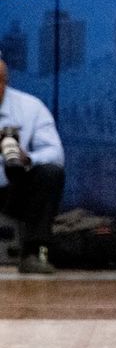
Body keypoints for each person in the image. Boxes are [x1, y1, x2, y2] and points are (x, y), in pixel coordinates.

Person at [0, 58, 64, 274]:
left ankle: (33, 253)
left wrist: (28, 159)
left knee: (50, 172)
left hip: (12, 191)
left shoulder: (30, 107)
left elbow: (55, 153)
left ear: (3, 83)